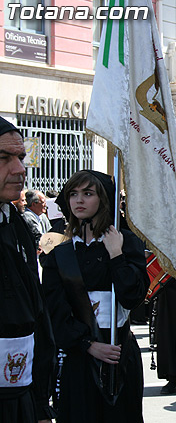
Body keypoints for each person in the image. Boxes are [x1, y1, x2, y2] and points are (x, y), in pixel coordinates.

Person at [41, 170, 147, 422]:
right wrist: (88, 345)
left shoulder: (125, 241)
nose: (79, 200)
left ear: (103, 200)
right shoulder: (60, 252)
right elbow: (54, 310)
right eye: (73, 194)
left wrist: (116, 256)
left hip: (119, 353)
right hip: (78, 357)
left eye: (88, 194)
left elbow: (133, 297)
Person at [0, 116, 56, 422]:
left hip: (22, 392)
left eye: (20, 157)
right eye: (4, 158)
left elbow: (36, 313)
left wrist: (39, 404)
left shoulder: (15, 222)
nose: (20, 169)